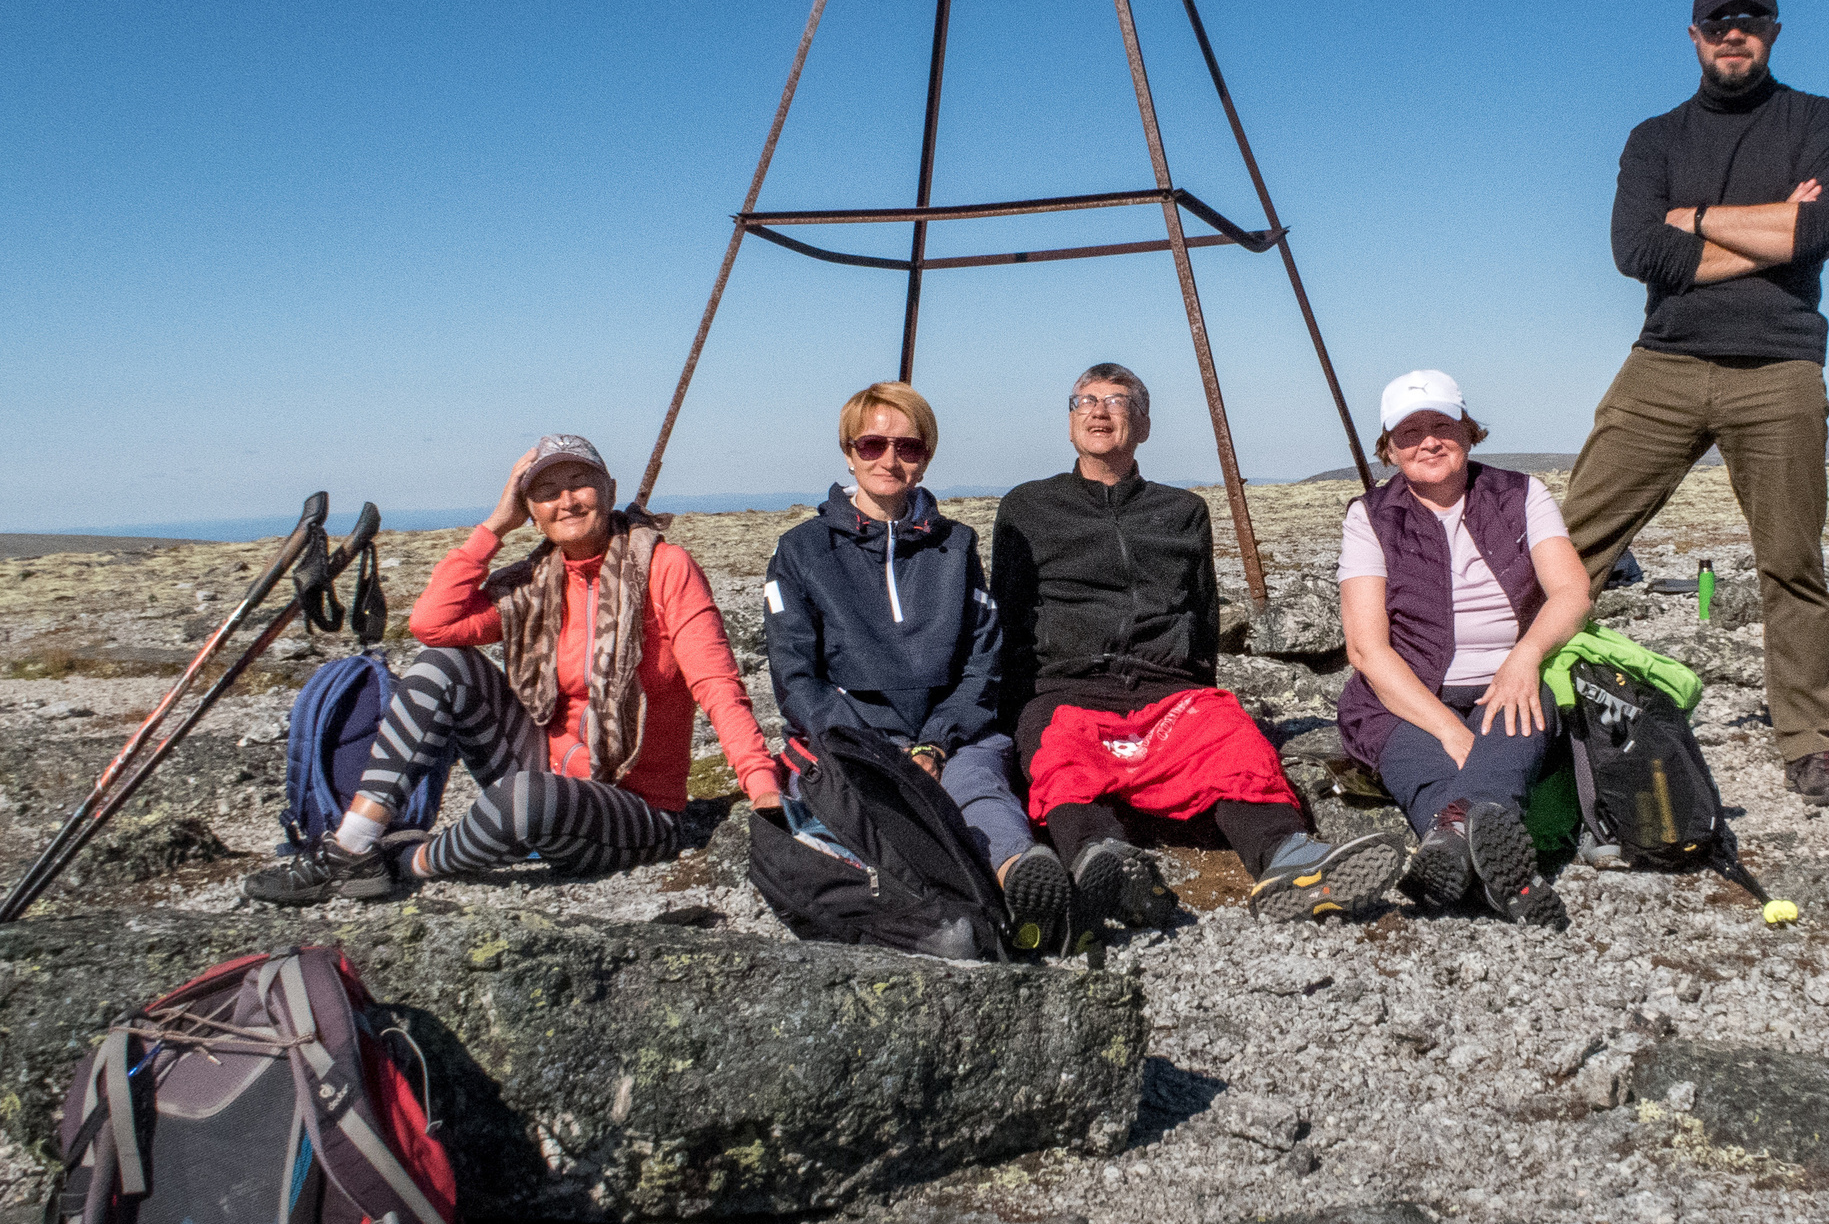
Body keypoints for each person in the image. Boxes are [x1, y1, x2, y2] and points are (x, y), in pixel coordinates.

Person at [1560, 0, 1829, 808]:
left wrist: (1690, 222)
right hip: (1665, 362)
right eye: (1719, 21)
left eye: (1751, 18)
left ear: (1773, 30)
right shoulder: (1654, 138)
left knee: (1791, 561)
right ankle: (1514, 701)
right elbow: (1636, 251)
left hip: (1780, 368)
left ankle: (1810, 743)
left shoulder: (1817, 120)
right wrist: (1772, 228)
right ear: (1694, 37)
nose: (1735, 32)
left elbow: (1825, 228)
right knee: (1569, 543)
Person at [245, 435, 780, 904]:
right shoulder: (533, 582)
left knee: (524, 799)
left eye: (580, 482)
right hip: (541, 772)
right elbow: (432, 626)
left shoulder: (664, 567)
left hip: (637, 809)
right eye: (546, 491)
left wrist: (761, 785)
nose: (566, 500)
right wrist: (496, 525)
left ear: (610, 489)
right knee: (440, 667)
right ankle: (354, 845)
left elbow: (715, 683)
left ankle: (406, 863)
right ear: (530, 509)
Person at [992, 363, 1405, 925]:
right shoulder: (1027, 507)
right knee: (1061, 757)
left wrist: (1196, 697)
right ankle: (1102, 861)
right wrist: (1019, 711)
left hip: (1167, 685)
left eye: (1116, 401)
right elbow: (1009, 613)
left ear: (1143, 424)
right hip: (1068, 685)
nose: (1097, 410)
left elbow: (1202, 611)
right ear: (1069, 423)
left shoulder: (1182, 511)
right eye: (1083, 400)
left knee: (1232, 740)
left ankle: (1291, 860)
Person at [763, 382, 1069, 954]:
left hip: (947, 735)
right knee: (877, 811)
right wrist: (877, 748)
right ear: (849, 451)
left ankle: (1021, 878)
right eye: (873, 444)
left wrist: (933, 744)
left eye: (907, 446)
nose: (889, 459)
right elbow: (796, 676)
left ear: (925, 456)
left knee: (976, 784)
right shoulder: (801, 551)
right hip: (854, 741)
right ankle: (950, 915)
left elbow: (983, 664)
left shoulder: (957, 547)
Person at [1336, 371, 1590, 928]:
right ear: (1389, 448)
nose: (1427, 441)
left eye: (1441, 425)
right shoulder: (1370, 516)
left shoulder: (1521, 494)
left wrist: (1525, 658)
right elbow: (1367, 649)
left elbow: (1571, 592)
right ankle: (1512, 884)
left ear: (1468, 431)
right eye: (1408, 432)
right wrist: (1451, 731)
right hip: (1402, 696)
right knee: (1425, 765)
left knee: (1508, 728)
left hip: (1510, 679)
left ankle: (1453, 854)